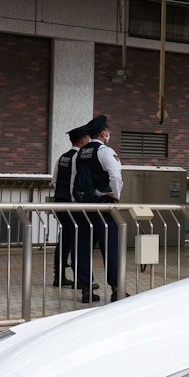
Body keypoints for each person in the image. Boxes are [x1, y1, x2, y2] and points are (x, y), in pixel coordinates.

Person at [71, 116, 125, 302]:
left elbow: (74, 179)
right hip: (103, 206)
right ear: (103, 133)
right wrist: (115, 197)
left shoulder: (81, 152)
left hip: (83, 206)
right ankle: (117, 289)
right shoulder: (105, 151)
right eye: (107, 130)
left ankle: (86, 290)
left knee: (84, 247)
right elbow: (115, 177)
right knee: (111, 248)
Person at [51, 125, 90, 287]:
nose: (88, 140)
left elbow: (54, 181)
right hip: (72, 205)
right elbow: (75, 182)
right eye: (87, 138)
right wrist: (76, 201)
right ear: (82, 140)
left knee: (64, 240)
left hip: (59, 203)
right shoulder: (77, 158)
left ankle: (59, 276)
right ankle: (79, 279)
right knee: (76, 240)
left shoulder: (62, 157)